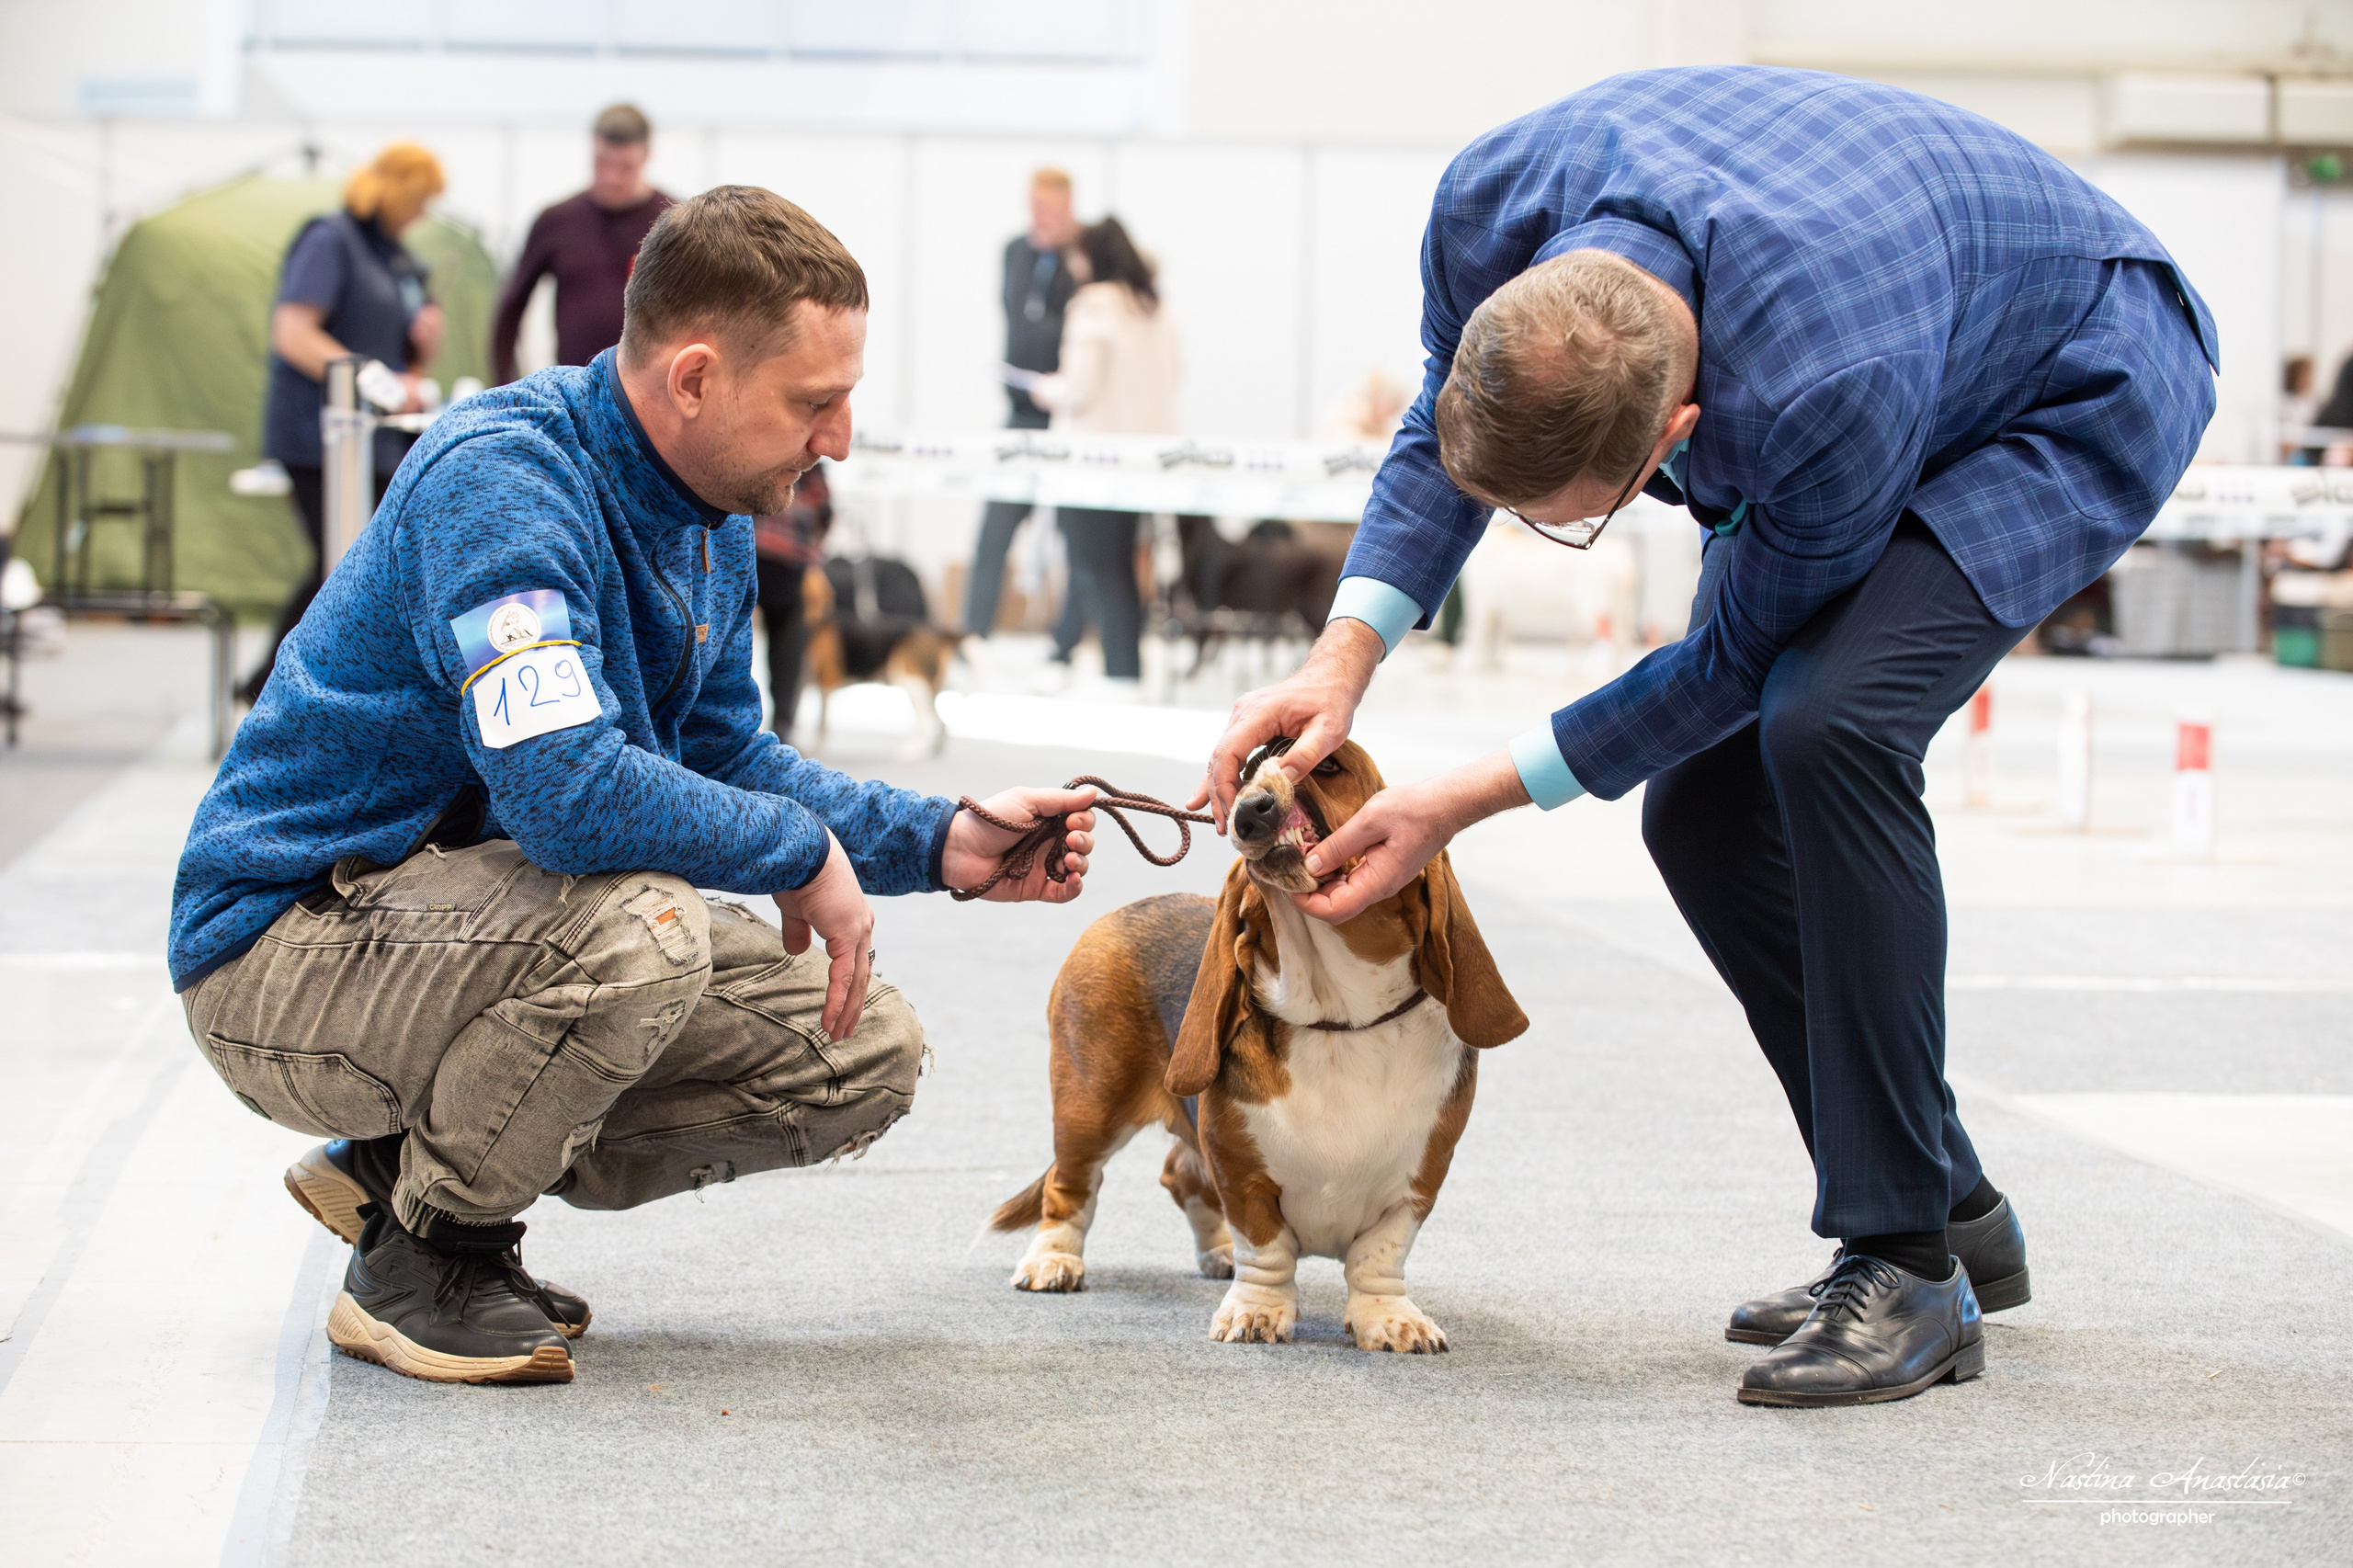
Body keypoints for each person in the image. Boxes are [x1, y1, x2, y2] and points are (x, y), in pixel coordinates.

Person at [1195, 68, 2215, 1408]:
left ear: (1676, 437)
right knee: (1701, 810)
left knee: (1829, 723)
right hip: (1907, 304)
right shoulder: (1490, 205)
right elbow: (1454, 407)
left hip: (2075, 372)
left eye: (1564, 517)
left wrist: (1459, 800)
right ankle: (1954, 1207)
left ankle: (1905, 1257)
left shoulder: (1818, 390)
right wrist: (1345, 656)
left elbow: (1732, 663)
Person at [171, 187, 1101, 1387]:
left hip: (457, 926)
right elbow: (566, 791)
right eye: (815, 402)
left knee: (863, 1047)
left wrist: (943, 841)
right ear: (696, 377)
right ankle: (429, 1255)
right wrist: (796, 851)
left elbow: (727, 758)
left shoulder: (709, 510)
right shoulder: (503, 480)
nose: (842, 438)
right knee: (643, 931)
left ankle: (407, 1171)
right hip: (279, 953)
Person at [244, 142, 447, 702]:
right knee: (340, 567)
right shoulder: (329, 241)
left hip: (374, 439)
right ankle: (270, 686)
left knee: (352, 565)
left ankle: (270, 684)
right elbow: (293, 333)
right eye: (423, 199)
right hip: (319, 437)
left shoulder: (395, 258)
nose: (424, 212)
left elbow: (399, 361)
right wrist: (371, 380)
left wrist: (421, 348)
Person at [1028, 216, 1182, 691]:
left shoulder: (1093, 306)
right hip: (1143, 460)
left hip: (1090, 460)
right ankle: (1093, 660)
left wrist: (1043, 388)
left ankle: (1121, 673)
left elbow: (1078, 387)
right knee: (1114, 565)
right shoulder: (1156, 308)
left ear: (1091, 256)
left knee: (1097, 567)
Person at [961, 169, 1079, 638]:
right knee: (994, 533)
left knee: (1075, 538)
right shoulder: (1015, 253)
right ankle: (974, 636)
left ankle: (1065, 644)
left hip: (1068, 419)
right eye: (1036, 206)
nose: (1041, 216)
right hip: (1020, 412)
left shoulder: (1080, 258)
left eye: (1051, 208)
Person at [489, 104, 674, 385]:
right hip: (575, 388)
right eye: (602, 163)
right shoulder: (556, 221)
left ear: (646, 156)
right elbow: (510, 307)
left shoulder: (673, 223)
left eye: (625, 167)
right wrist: (505, 385)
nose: (611, 177)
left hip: (652, 388)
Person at [752, 460, 835, 735]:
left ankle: (778, 730)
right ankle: (781, 730)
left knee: (784, 656)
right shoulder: (812, 465)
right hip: (778, 563)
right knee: (786, 657)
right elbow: (825, 513)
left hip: (769, 560)